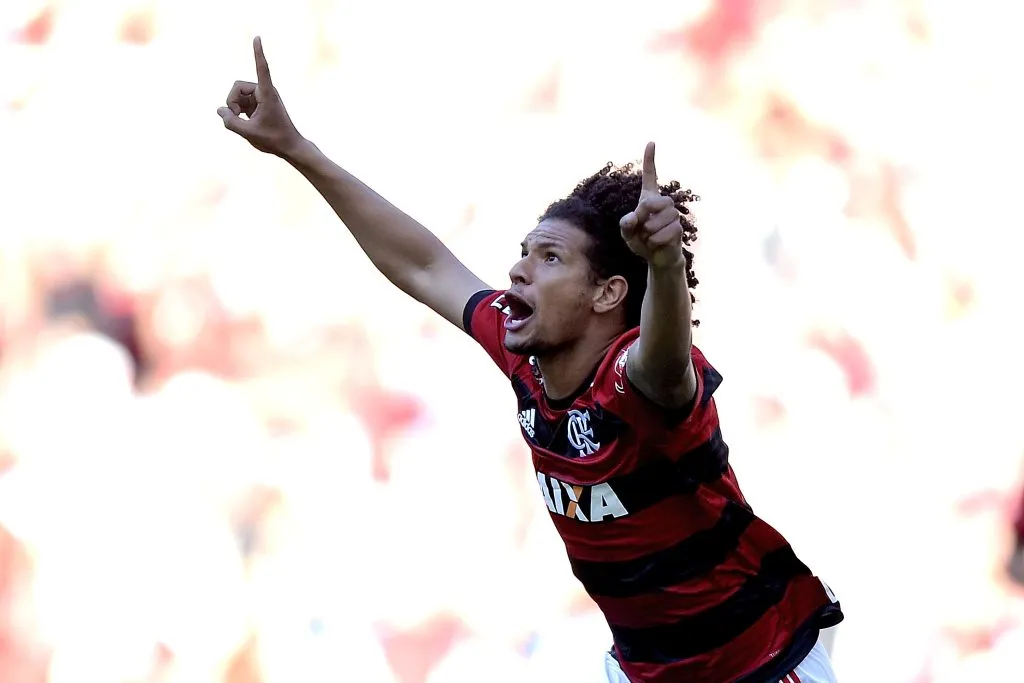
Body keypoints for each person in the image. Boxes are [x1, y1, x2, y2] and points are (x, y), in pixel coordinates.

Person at [217, 37, 844, 683]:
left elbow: (665, 361)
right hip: (649, 670)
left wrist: (662, 264)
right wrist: (298, 150)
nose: (519, 269)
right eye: (524, 252)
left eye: (550, 258)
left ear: (608, 293)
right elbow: (423, 264)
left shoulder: (639, 380)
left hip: (760, 661)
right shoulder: (527, 354)